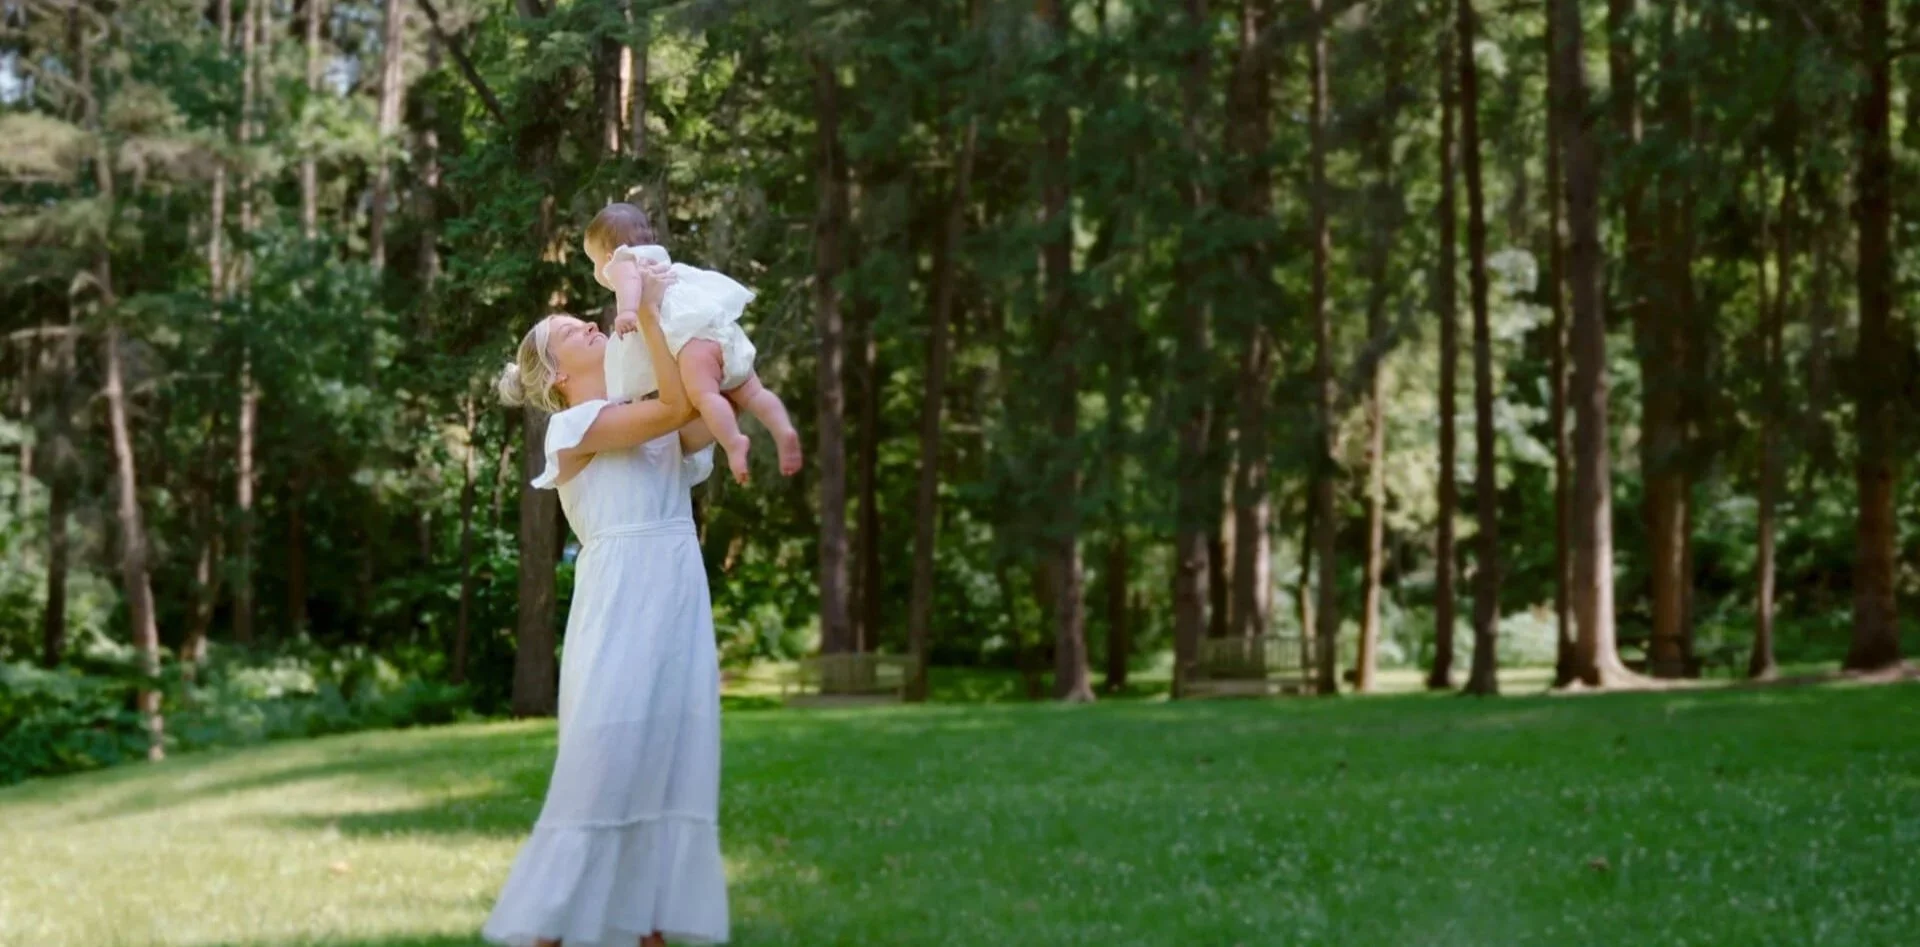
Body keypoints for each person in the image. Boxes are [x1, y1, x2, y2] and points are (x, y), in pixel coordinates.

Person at [486, 258, 729, 947]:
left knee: (666, 764)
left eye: (588, 320)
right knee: (604, 770)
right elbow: (676, 409)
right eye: (573, 330)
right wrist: (646, 312)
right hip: (620, 605)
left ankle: (645, 929)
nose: (591, 326)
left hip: (676, 596)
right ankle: (548, 932)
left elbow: (696, 414)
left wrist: (693, 324)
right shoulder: (574, 428)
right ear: (557, 373)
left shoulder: (644, 404)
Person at [584, 201, 801, 485]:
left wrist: (626, 311)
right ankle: (783, 429)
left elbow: (629, 285)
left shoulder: (623, 262)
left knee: (707, 397)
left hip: (693, 341)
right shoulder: (661, 258)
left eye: (595, 263)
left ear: (609, 255)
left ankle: (733, 442)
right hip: (722, 331)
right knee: (753, 392)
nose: (596, 271)